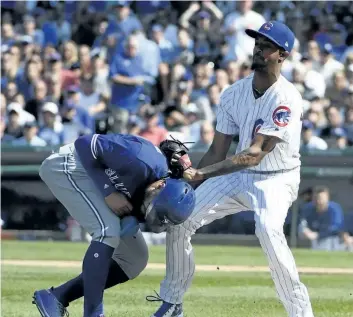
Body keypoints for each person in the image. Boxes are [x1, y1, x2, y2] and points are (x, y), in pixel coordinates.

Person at [150, 21, 314, 317]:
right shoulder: (232, 93)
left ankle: (301, 313)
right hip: (237, 175)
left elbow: (255, 155)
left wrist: (200, 174)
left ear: (282, 55)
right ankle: (173, 302)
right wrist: (189, 188)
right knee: (180, 219)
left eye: (266, 45)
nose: (258, 48)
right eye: (257, 42)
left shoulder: (286, 98)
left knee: (268, 230)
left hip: (277, 178)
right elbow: (217, 150)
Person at [32, 134, 196, 317]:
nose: (149, 213)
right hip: (67, 165)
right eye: (152, 209)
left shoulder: (161, 193)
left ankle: (56, 297)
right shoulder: (140, 157)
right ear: (159, 186)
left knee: (134, 258)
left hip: (90, 178)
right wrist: (108, 191)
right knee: (107, 231)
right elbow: (84, 143)